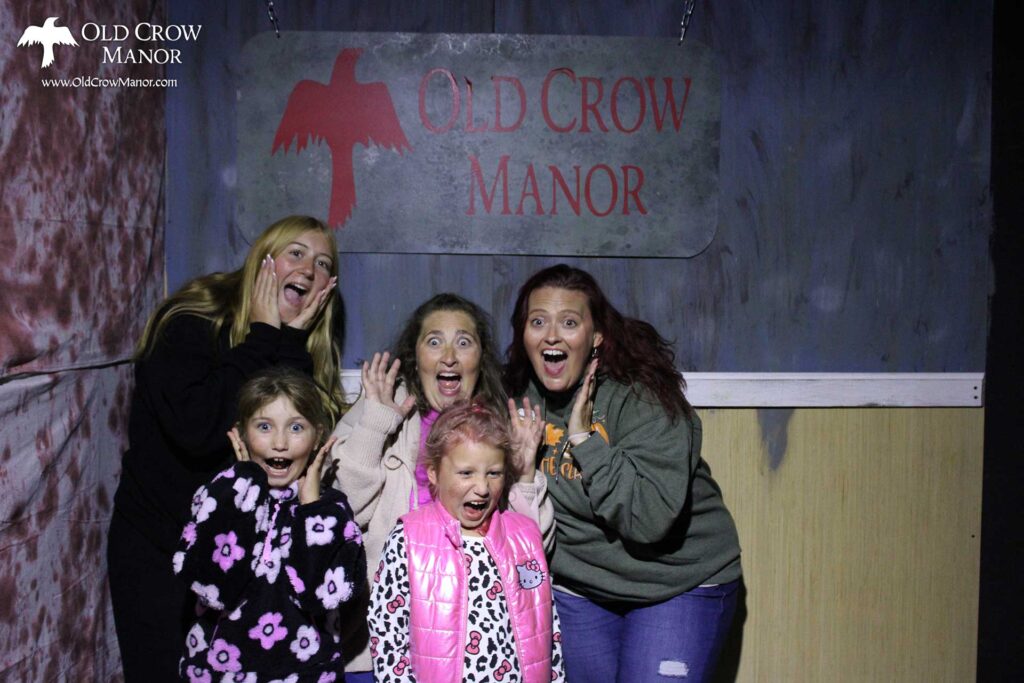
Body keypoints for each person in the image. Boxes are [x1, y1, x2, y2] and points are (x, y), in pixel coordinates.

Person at [108, 215, 344, 682]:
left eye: (323, 264)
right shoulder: (190, 321)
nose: (309, 269)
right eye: (296, 253)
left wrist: (289, 341)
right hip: (160, 550)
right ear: (263, 260)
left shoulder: (296, 349)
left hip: (244, 563)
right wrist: (264, 336)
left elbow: (287, 457)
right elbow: (196, 430)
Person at [504, 264, 743, 683]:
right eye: (538, 321)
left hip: (676, 582)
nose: (552, 335)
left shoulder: (641, 397)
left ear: (596, 336)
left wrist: (584, 440)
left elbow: (648, 518)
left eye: (569, 322)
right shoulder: (514, 400)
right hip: (580, 589)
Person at [328, 293, 552, 682]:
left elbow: (533, 556)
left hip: (479, 651)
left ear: (480, 358)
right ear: (415, 357)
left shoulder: (499, 427)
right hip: (381, 642)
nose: (449, 356)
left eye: (463, 342)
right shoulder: (382, 407)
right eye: (434, 342)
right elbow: (342, 514)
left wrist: (524, 471)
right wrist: (375, 423)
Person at [173, 367, 364, 682]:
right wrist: (243, 489)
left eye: (296, 427)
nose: (279, 443)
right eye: (264, 426)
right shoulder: (217, 497)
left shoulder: (332, 509)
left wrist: (311, 509)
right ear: (242, 434)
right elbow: (214, 588)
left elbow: (322, 597)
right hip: (220, 673)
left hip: (306, 675)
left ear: (318, 436)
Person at [367, 399, 565, 683]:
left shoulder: (525, 536)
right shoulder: (409, 539)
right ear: (434, 472)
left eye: (494, 473)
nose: (482, 488)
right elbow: (387, 635)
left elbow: (547, 628)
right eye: (466, 473)